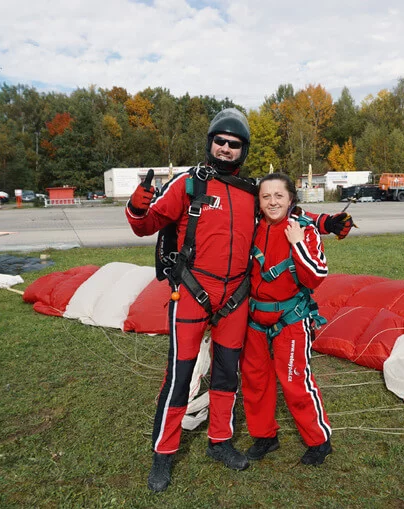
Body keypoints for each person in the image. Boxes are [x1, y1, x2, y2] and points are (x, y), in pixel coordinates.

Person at [125, 108, 355, 493]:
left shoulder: (251, 192)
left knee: (227, 374)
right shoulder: (188, 185)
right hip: (193, 294)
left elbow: (288, 211)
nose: (226, 149)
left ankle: (220, 441)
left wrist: (328, 223)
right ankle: (163, 455)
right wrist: (138, 203)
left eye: (235, 144)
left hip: (235, 300)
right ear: (210, 143)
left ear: (243, 150)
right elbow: (144, 224)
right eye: (221, 142)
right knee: (180, 377)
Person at [241, 173, 332, 467]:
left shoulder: (304, 230)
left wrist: (296, 244)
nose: (272, 202)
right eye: (266, 196)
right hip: (255, 319)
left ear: (291, 198)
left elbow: (315, 276)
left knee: (294, 380)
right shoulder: (252, 229)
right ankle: (265, 436)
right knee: (255, 380)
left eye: (279, 195)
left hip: (291, 318)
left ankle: (319, 441)